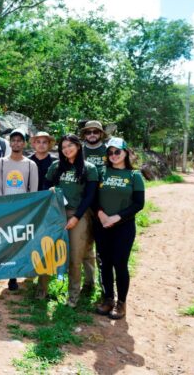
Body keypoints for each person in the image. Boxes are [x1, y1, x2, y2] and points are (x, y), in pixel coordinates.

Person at [94, 137, 145, 319]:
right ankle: (108, 299)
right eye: (110, 152)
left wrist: (117, 217)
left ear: (125, 152)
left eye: (117, 151)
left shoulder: (134, 176)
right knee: (105, 263)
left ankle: (121, 303)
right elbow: (93, 197)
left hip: (123, 227)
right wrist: (101, 214)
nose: (113, 155)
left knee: (120, 264)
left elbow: (139, 204)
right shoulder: (101, 172)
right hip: (102, 225)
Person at [46, 134, 98, 308]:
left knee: (76, 257)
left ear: (78, 146)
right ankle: (43, 290)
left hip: (79, 214)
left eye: (70, 145)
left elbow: (90, 196)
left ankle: (73, 296)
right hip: (57, 214)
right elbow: (46, 188)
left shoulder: (89, 168)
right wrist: (51, 189)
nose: (66, 149)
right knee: (52, 251)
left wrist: (76, 218)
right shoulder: (55, 166)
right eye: (63, 147)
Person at [0, 128, 38, 291]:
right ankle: (3, 271)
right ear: (10, 142)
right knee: (6, 242)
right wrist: (2, 208)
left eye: (20, 140)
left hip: (23, 210)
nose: (16, 143)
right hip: (6, 209)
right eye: (14, 140)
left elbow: (33, 190)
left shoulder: (30, 165)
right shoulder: (2, 163)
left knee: (19, 242)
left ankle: (14, 276)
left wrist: (28, 211)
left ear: (24, 143)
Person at [28, 131, 57, 297]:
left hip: (48, 206)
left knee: (46, 240)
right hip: (31, 206)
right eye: (38, 141)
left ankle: (44, 280)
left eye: (44, 142)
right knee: (31, 238)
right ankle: (31, 270)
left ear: (49, 144)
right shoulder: (28, 161)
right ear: (33, 144)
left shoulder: (55, 162)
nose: (41, 144)